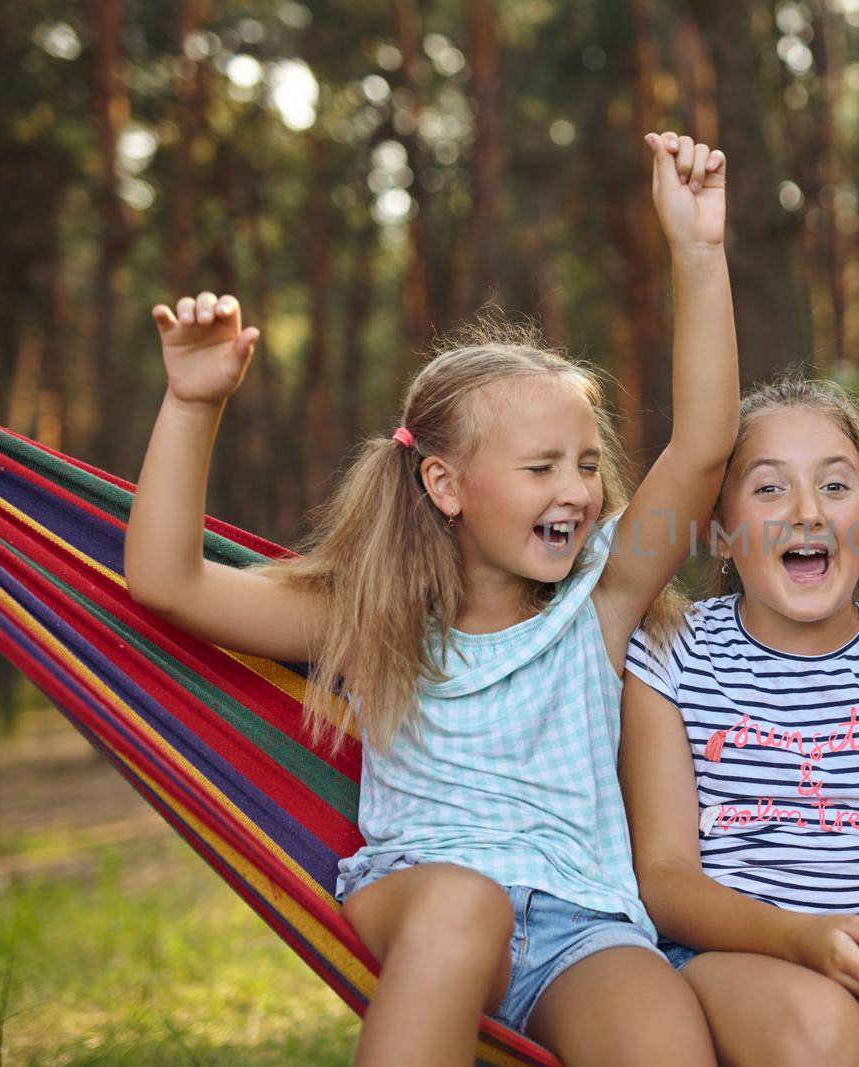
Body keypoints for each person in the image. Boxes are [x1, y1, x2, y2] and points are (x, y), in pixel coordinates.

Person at [123, 131, 737, 1067]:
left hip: (585, 923)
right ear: (446, 486)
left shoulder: (602, 599)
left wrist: (698, 254)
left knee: (663, 1036)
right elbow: (167, 582)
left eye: (583, 463)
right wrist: (193, 404)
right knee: (466, 904)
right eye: (539, 468)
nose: (575, 489)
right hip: (426, 896)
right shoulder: (370, 616)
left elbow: (700, 446)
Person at [621, 375, 859, 1066]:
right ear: (720, 527)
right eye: (769, 488)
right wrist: (806, 942)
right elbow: (666, 874)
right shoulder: (671, 652)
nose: (807, 512)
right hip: (717, 954)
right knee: (820, 1026)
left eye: (835, 486)